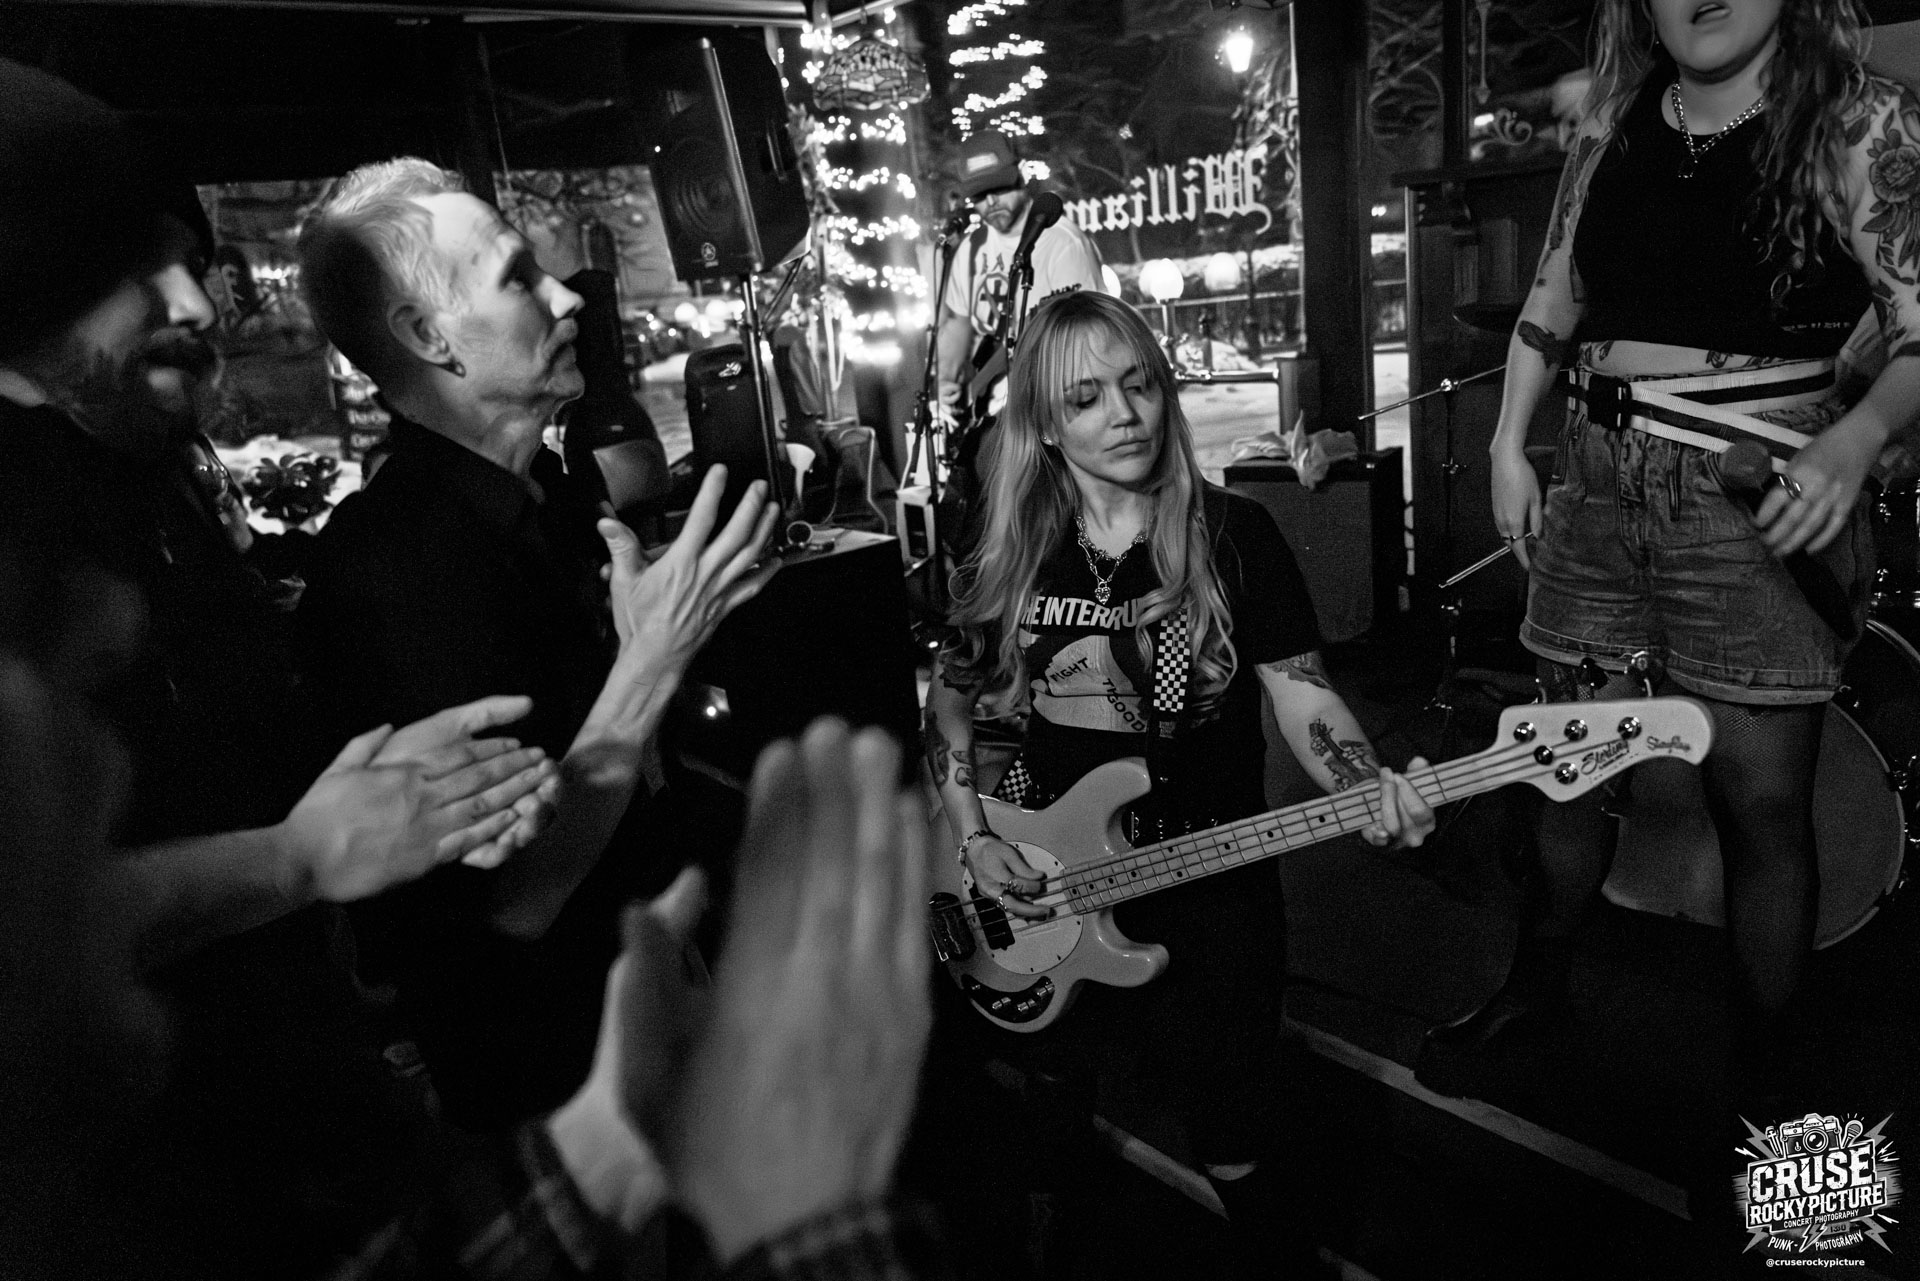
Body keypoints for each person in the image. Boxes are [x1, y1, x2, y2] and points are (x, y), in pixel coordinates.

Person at [0, 58, 562, 1277]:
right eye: (128, 270)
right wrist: (296, 858)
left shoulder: (140, 479)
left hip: (306, 1150)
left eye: (191, 261)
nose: (193, 303)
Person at [1433, 0, 1920, 1075]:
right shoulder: (1616, 114)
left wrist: (1857, 438)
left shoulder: (1860, 118)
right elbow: (1555, 285)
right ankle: (1533, 994)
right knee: (1562, 766)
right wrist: (1510, 440)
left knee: (1759, 807)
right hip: (1596, 484)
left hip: (1750, 493)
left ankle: (1769, 1080)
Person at [922, 289, 1435, 1278]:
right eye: (1086, 399)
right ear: (1046, 424)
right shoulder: (1016, 548)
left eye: (1139, 385)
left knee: (1233, 1131)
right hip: (1040, 881)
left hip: (1212, 885)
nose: (1125, 415)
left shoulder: (1235, 536)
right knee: (1054, 1088)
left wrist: (1364, 780)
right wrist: (975, 838)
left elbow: (1304, 696)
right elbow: (949, 713)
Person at [296, 158, 779, 1128]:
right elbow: (515, 902)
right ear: (429, 336)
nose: (565, 297)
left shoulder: (553, 499)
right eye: (518, 277)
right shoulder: (396, 568)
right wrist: (650, 663)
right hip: (559, 1096)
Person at [934, 128, 1105, 427]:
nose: (991, 202)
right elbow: (958, 324)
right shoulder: (969, 251)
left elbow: (1090, 336)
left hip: (1053, 412)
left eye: (999, 188)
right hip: (990, 415)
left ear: (1022, 175)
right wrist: (946, 382)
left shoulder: (1063, 243)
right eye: (979, 195)